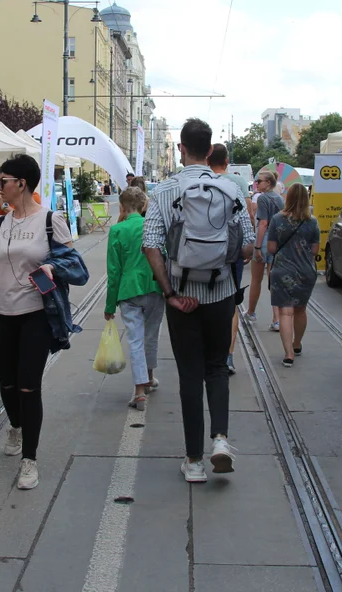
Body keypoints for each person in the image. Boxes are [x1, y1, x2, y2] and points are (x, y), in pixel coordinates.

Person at [142, 119, 255, 484]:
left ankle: (193, 461)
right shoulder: (232, 188)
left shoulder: (163, 191)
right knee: (217, 368)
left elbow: (151, 245)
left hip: (182, 299)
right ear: (210, 150)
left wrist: (171, 294)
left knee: (189, 374)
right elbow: (249, 246)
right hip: (220, 295)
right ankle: (220, 439)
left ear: (180, 148)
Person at [0, 154, 73, 491]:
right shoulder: (0, 223)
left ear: (21, 184)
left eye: (3, 182)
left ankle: (30, 459)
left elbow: (71, 261)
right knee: (7, 385)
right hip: (2, 313)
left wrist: (52, 269)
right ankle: (15, 424)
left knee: (28, 385)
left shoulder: (50, 220)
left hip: (36, 314)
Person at [104, 187, 164, 411]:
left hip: (128, 291)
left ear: (122, 206)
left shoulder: (118, 230)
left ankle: (139, 391)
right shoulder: (152, 226)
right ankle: (149, 377)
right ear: (143, 206)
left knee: (135, 340)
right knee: (151, 336)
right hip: (154, 287)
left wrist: (110, 305)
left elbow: (113, 271)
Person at [266, 185, 321, 367]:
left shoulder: (277, 219)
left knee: (285, 311)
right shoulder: (312, 222)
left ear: (288, 198)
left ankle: (288, 353)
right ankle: (297, 344)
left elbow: (272, 249)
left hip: (282, 270)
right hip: (306, 271)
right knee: (300, 309)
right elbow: (315, 251)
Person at [207, 144, 250, 375]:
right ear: (226, 162)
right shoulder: (238, 183)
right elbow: (247, 217)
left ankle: (206, 352)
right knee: (231, 304)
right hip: (232, 251)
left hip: (202, 253)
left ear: (207, 159)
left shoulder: (201, 179)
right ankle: (228, 355)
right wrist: (248, 248)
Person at [0, 168, 40, 266]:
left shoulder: (33, 198)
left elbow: (24, 220)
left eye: (2, 183)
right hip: (3, 255)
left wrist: (4, 206)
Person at [244, 169, 283, 331]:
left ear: (268, 183)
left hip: (264, 239)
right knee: (273, 281)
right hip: (277, 241)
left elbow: (263, 224)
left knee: (256, 279)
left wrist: (257, 246)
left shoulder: (263, 199)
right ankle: (276, 319)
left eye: (259, 181)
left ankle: (251, 312)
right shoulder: (280, 199)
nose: (256, 184)